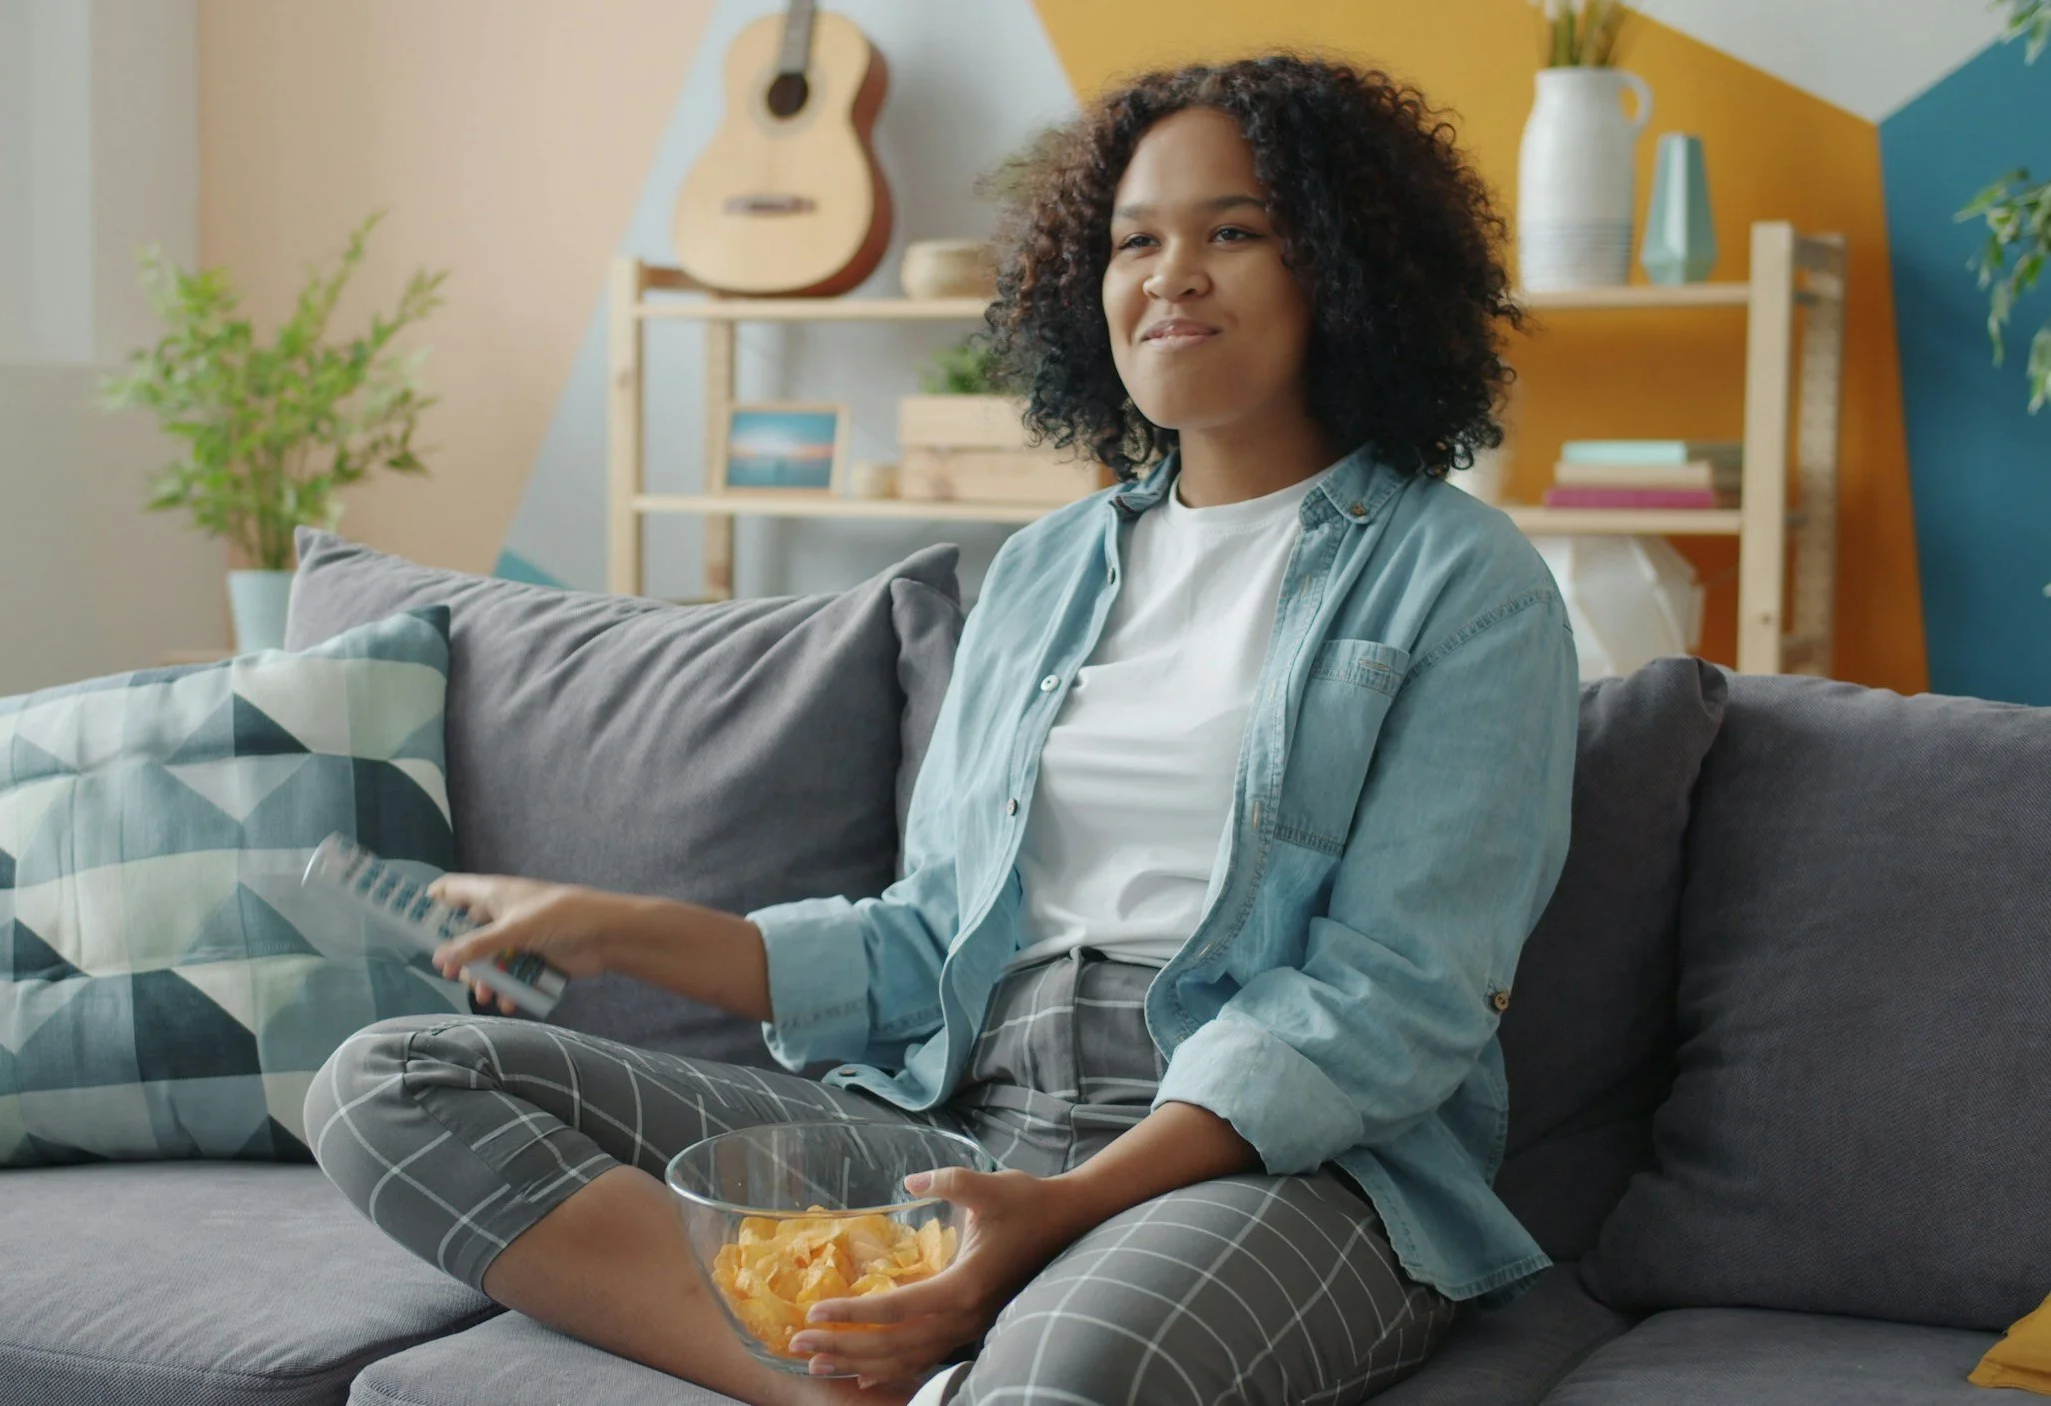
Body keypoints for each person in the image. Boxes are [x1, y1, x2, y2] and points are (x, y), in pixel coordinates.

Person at [305, 53, 1578, 1406]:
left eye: (1235, 232)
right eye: (1134, 239)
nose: (1170, 274)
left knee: (1064, 1379)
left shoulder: (1463, 583)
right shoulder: (1041, 572)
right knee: (390, 1081)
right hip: (965, 1115)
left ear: (1346, 263)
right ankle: (834, 1385)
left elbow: (1392, 997)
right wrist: (605, 923)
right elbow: (923, 944)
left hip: (1272, 1166)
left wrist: (1066, 1204)